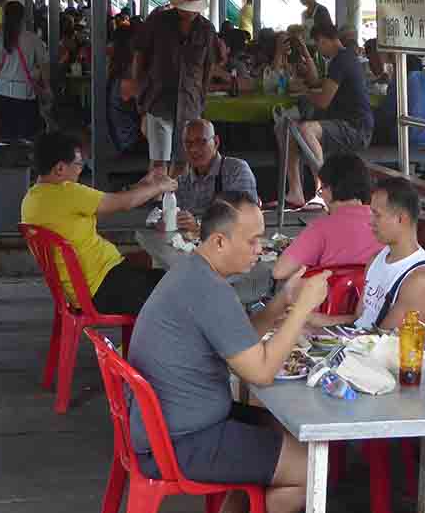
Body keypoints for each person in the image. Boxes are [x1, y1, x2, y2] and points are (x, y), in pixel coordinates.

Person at [129, 192, 327, 513]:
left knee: (288, 432)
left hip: (172, 425)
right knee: (312, 469)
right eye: (252, 241)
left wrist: (282, 301)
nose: (259, 249)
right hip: (183, 439)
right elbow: (260, 372)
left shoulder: (193, 272)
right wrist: (303, 308)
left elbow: (240, 339)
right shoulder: (209, 291)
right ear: (220, 242)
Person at [21, 132, 177, 314]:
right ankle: (149, 342)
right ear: (60, 169)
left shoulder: (32, 199)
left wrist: (144, 184)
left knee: (149, 262)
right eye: (78, 164)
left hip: (87, 287)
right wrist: (159, 187)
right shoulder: (67, 192)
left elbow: (112, 201)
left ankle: (135, 341)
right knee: (174, 286)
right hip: (103, 288)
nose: (80, 170)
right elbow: (124, 203)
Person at [306, 176, 425, 330]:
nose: (371, 221)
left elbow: (383, 341)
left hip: (379, 351)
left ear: (401, 219)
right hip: (360, 344)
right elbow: (360, 319)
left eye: (377, 215)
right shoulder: (376, 259)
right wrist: (314, 319)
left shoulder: (422, 280)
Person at [277, 21, 374, 211]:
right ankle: (296, 191)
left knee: (306, 129)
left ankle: (322, 192)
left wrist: (305, 93)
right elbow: (315, 81)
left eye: (318, 44)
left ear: (323, 40)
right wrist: (304, 51)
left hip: (355, 127)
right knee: (288, 130)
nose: (319, 50)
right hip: (342, 123)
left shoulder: (342, 60)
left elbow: (323, 100)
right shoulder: (341, 60)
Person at [132, 0, 218, 176]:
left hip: (190, 103)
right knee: (158, 163)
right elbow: (140, 55)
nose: (189, 12)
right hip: (158, 100)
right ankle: (157, 201)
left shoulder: (206, 29)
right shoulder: (157, 22)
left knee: (183, 161)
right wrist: (140, 93)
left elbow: (209, 66)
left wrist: (201, 97)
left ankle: (177, 202)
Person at [272, 153, 384, 282]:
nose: (321, 195)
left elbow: (279, 272)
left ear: (330, 190)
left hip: (333, 299)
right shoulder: (383, 221)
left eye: (321, 189)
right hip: (377, 298)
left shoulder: (320, 227)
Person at [167, 119, 258, 237]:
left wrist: (198, 226)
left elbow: (245, 218)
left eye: (201, 142)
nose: (193, 149)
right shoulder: (182, 182)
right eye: (188, 143)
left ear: (216, 142)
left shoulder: (236, 170)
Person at [0, 0, 50, 142]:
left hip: (3, 92)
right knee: (28, 136)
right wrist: (47, 87)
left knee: (8, 136)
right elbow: (44, 66)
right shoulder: (32, 39)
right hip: (26, 93)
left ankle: (11, 162)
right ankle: (27, 162)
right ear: (23, 17)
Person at [107, 27, 144, 155]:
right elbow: (148, 106)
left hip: (122, 140)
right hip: (130, 144)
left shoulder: (116, 73)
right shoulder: (127, 81)